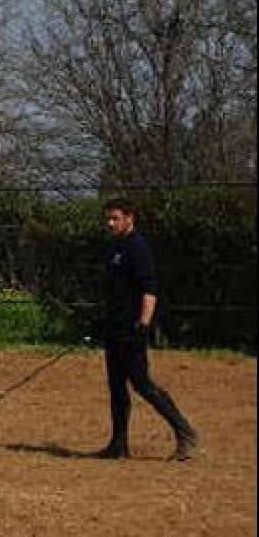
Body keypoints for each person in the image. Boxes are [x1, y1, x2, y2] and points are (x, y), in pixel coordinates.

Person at [94, 198, 197, 462]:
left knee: (142, 384)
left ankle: (184, 432)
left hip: (131, 331)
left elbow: (149, 291)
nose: (110, 223)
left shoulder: (137, 248)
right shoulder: (114, 248)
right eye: (108, 218)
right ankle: (118, 444)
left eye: (115, 218)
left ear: (130, 218)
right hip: (114, 330)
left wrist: (143, 325)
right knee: (116, 387)